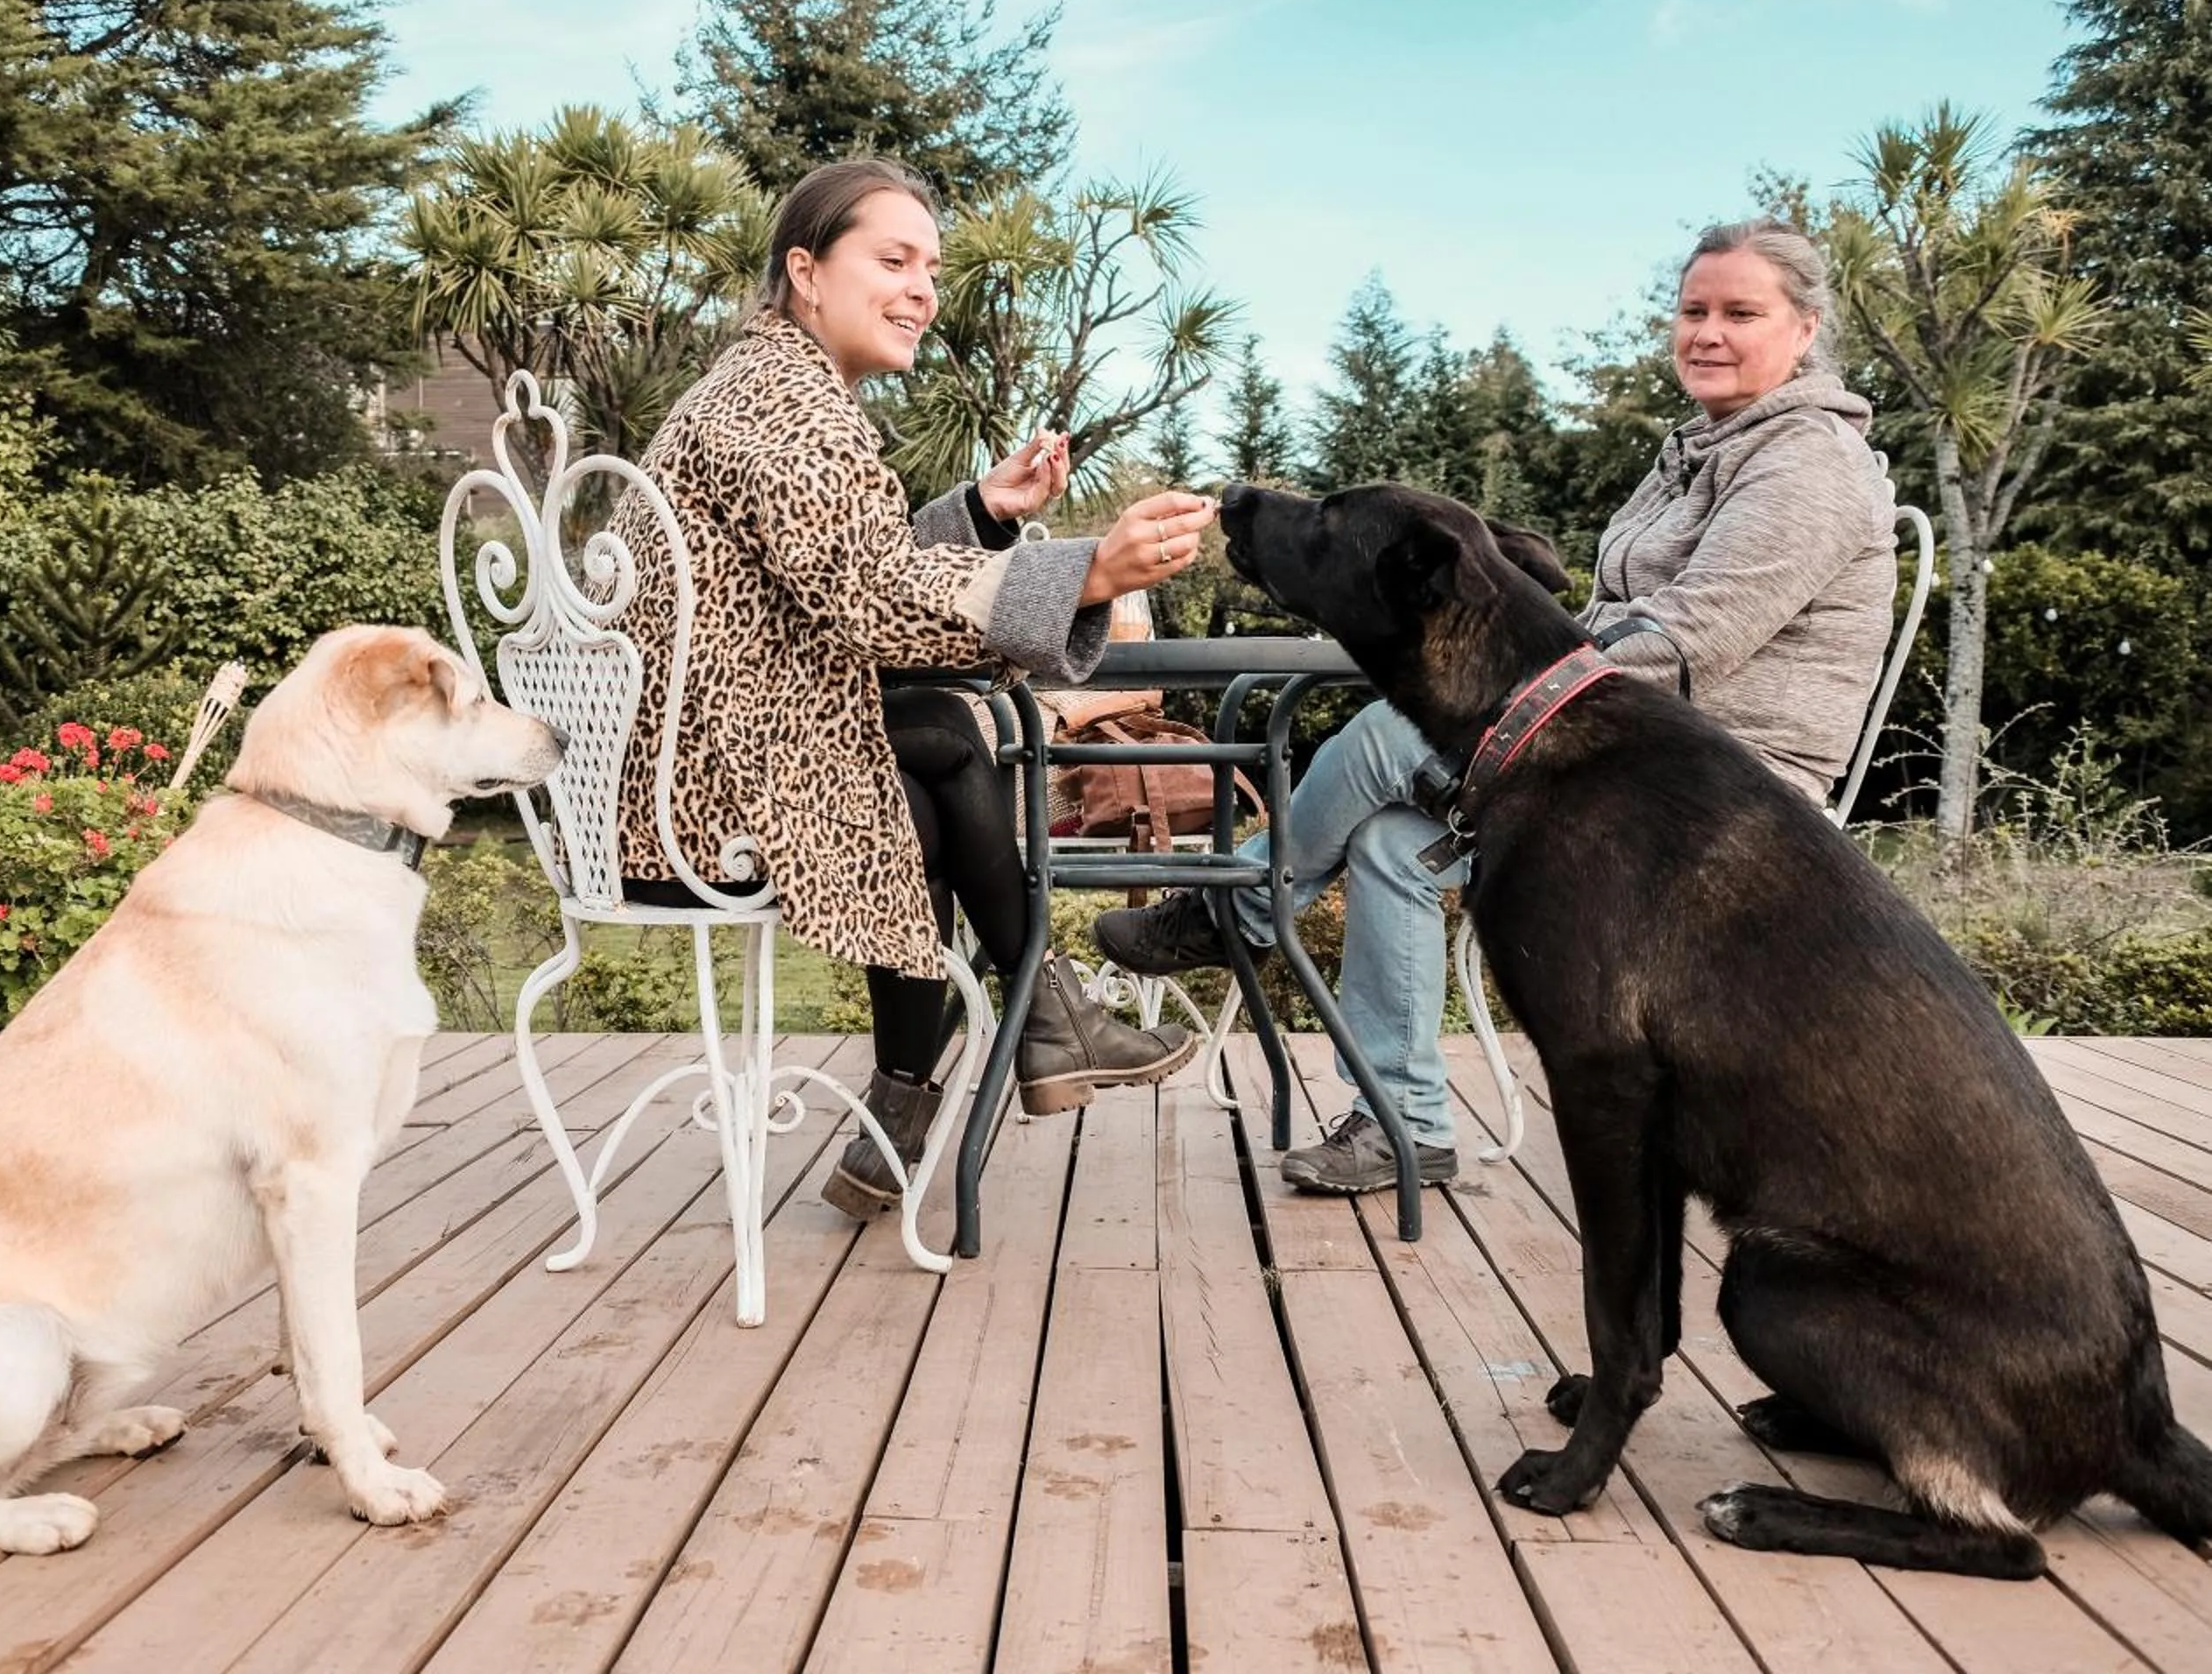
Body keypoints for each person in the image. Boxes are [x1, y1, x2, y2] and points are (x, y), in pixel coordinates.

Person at [1096, 216, 1899, 1194]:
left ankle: (1242, 912)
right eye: (1694, 310)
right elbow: (1605, 620)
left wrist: (1507, 685)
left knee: (1385, 737)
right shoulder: (1699, 448)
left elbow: (1693, 638)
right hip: (1617, 758)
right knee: (1390, 844)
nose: (1708, 332)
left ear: (1804, 328)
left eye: (1741, 313)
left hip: (1725, 786)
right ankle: (1404, 1123)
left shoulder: (1809, 462)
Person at [611, 157, 1218, 1221]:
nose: (923, 290)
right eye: (894, 260)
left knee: (930, 756)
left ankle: (922, 1096)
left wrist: (983, 509)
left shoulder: (768, 386)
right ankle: (1042, 1020)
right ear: (806, 270)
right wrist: (1085, 572)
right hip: (697, 801)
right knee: (936, 749)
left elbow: (846, 565)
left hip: (697, 761)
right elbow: (870, 593)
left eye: (931, 269)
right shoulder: (788, 405)